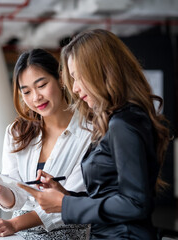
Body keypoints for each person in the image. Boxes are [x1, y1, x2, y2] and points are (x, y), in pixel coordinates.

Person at [19, 29, 171, 239]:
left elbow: (135, 204)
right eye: (72, 79)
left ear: (103, 71)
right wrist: (65, 195)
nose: (76, 89)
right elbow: (110, 194)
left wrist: (65, 204)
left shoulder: (122, 124)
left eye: (79, 77)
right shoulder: (119, 120)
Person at [0, 48, 92, 239]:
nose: (35, 97)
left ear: (61, 79)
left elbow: (69, 202)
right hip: (19, 228)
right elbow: (16, 196)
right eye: (26, 91)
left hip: (68, 229)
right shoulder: (17, 132)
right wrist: (0, 190)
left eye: (41, 85)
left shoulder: (90, 131)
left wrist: (15, 224)